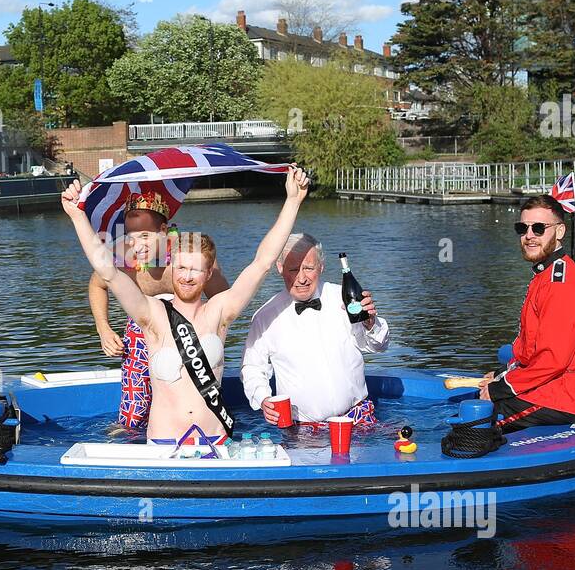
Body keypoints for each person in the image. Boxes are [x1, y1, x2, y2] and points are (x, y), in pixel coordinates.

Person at [62, 166, 311, 445]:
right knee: (129, 415)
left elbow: (262, 263)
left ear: (208, 274)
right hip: (163, 443)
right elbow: (105, 272)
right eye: (181, 268)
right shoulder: (150, 316)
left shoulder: (220, 312)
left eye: (195, 270)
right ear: (173, 268)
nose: (187, 276)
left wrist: (292, 201)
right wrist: (77, 215)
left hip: (215, 442)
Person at [88, 193, 229, 429]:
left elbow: (224, 300)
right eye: (131, 235)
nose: (137, 244)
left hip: (187, 327)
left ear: (163, 231)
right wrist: (103, 328)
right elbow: (97, 284)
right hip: (141, 330)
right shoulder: (124, 255)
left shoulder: (189, 255)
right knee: (132, 416)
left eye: (145, 235)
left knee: (191, 403)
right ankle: (131, 440)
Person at [479, 194, 575, 431]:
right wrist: (503, 374)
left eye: (539, 228)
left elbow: (552, 360)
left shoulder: (560, 284)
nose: (529, 236)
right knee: (476, 399)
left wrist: (503, 387)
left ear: (560, 231)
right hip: (557, 385)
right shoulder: (546, 274)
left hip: (567, 395)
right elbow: (533, 349)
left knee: (472, 424)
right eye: (523, 228)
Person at [241, 233, 390, 427]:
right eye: (293, 269)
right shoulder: (265, 316)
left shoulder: (344, 297)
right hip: (302, 432)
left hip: (359, 420)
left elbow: (379, 346)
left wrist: (370, 322)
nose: (301, 278)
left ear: (321, 267)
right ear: (280, 268)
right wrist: (263, 398)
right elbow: (252, 367)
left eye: (309, 268)